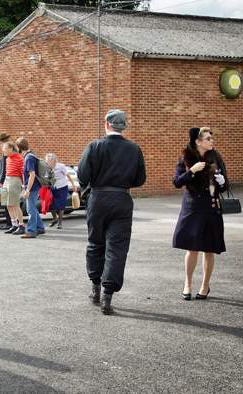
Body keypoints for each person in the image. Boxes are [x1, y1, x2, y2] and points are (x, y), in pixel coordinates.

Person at [78, 109, 146, 314]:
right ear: (123, 126)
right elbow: (139, 180)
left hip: (98, 198)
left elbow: (82, 175)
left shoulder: (94, 146)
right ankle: (108, 294)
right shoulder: (134, 149)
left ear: (107, 124)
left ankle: (95, 287)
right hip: (122, 198)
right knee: (117, 248)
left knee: (95, 243)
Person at [173, 127, 227, 301]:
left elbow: (225, 186)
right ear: (198, 141)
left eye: (212, 138)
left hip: (211, 207)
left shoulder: (216, 158)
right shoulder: (186, 158)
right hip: (193, 207)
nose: (212, 141)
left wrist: (222, 181)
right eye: (208, 138)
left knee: (209, 249)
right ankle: (187, 284)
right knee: (192, 247)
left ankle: (205, 286)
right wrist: (192, 171)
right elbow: (177, 182)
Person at [18, 138, 44, 239]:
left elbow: (32, 174)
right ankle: (40, 227)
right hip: (34, 186)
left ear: (19, 148)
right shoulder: (31, 155)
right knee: (32, 208)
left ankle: (31, 231)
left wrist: (27, 190)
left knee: (30, 209)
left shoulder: (28, 158)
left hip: (32, 188)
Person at [45, 153, 77, 229]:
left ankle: (60, 222)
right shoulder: (47, 167)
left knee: (61, 206)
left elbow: (68, 176)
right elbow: (46, 177)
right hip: (52, 187)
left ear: (53, 161)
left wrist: (73, 185)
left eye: (48, 161)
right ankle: (54, 218)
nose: (47, 163)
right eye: (46, 161)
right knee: (51, 204)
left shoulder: (61, 166)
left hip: (62, 187)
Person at [0, 142, 25, 235]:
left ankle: (21, 225)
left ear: (11, 149)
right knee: (7, 204)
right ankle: (14, 225)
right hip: (7, 179)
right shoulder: (7, 159)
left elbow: (23, 173)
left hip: (15, 180)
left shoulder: (19, 158)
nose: (3, 151)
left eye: (5, 149)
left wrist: (23, 185)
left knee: (15, 204)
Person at [0, 133, 14, 230]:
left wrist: (1, 181)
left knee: (7, 203)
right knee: (7, 203)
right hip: (7, 179)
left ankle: (9, 223)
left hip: (6, 180)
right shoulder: (9, 150)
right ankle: (10, 222)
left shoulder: (7, 151)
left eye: (1, 142)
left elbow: (5, 169)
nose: (0, 144)